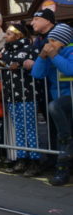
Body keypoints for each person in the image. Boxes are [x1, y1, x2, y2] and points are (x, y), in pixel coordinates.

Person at [31, 23, 73, 186]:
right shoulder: (51, 53)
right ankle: (62, 169)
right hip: (60, 100)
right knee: (62, 135)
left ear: (63, 41)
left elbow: (70, 69)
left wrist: (55, 56)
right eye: (49, 40)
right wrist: (42, 56)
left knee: (55, 109)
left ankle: (66, 145)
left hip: (67, 98)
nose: (50, 44)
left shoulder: (69, 51)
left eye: (54, 40)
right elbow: (37, 73)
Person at [0, 22, 41, 176]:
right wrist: (10, 60)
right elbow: (3, 59)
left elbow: (14, 60)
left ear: (18, 35)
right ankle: (22, 158)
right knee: (19, 129)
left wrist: (13, 61)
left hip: (26, 95)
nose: (5, 36)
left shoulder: (29, 48)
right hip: (12, 95)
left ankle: (35, 160)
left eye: (8, 34)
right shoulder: (7, 50)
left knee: (29, 129)